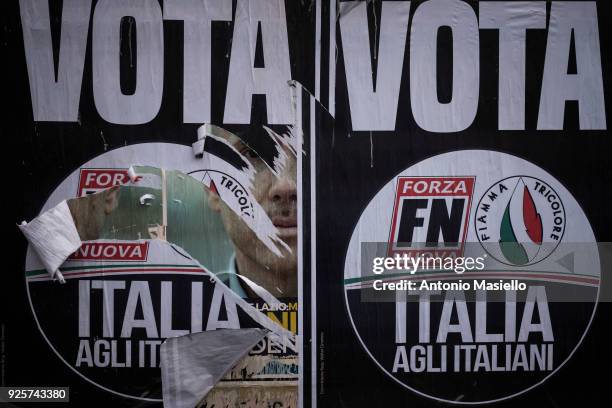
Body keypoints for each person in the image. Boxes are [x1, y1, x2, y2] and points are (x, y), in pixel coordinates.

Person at [207, 126, 298, 299]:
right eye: (253, 153)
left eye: (309, 153)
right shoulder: (184, 319)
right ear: (212, 186)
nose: (285, 185)